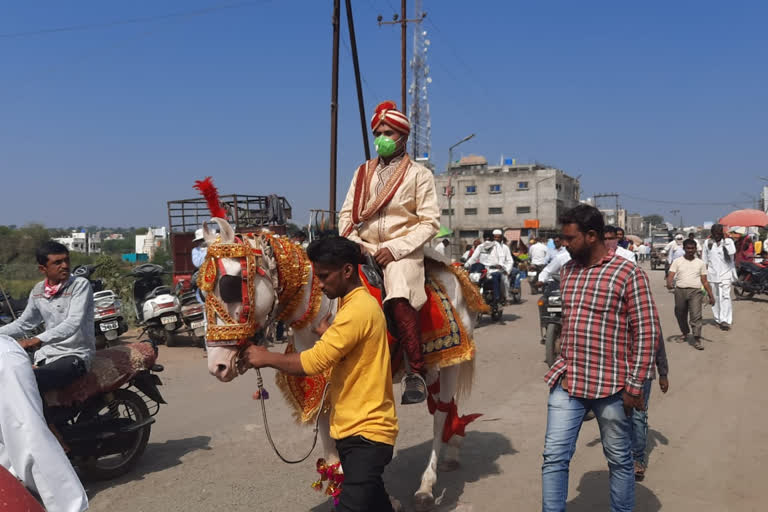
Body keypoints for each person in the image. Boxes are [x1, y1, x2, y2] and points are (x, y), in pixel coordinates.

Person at [239, 237, 398, 512]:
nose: (320, 284)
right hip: (351, 433)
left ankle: (417, 366)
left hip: (367, 435)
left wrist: (265, 357)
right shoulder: (350, 307)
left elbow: (314, 361)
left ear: (347, 271)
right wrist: (330, 335)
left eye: (325, 276)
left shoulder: (358, 309)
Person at [541, 205, 661, 512]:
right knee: (554, 456)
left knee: (620, 460)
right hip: (569, 381)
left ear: (591, 236)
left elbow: (647, 331)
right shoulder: (567, 272)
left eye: (569, 238)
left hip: (613, 387)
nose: (563, 245)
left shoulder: (627, 273)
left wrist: (635, 386)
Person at [338, 100, 439, 404]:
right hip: (361, 246)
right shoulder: (362, 172)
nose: (381, 137)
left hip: (401, 251)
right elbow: (345, 214)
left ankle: (415, 371)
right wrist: (354, 240)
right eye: (378, 132)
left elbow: (430, 222)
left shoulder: (420, 175)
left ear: (403, 137)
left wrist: (395, 249)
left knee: (396, 292)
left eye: (388, 132)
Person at [0, 335, 89, 512]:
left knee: (29, 438)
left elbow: (72, 324)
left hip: (70, 354)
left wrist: (37, 338)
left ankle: (70, 508)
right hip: (41, 354)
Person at [0, 241, 95, 395]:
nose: (64, 265)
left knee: (30, 382)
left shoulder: (79, 285)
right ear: (42, 268)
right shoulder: (38, 290)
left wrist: (35, 340)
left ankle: (45, 420)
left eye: (66, 260)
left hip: (75, 353)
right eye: (57, 262)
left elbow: (72, 323)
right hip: (46, 355)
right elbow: (24, 323)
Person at [630, 333, 669, 481]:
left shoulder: (647, 311)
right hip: (618, 369)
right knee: (619, 415)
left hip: (642, 371)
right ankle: (622, 457)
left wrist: (663, 373)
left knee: (638, 415)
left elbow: (658, 340)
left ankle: (637, 459)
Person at [666, 239, 715, 350]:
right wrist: (669, 283)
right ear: (684, 248)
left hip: (696, 292)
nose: (690, 250)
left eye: (692, 248)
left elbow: (705, 281)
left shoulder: (700, 263)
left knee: (696, 315)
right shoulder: (677, 261)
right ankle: (685, 332)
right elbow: (671, 275)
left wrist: (711, 295)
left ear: (695, 249)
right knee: (680, 313)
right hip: (680, 291)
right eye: (688, 248)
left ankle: (697, 338)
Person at [701, 224, 736, 331]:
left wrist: (725, 241)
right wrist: (703, 276)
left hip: (726, 274)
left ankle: (725, 320)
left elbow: (732, 252)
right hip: (712, 274)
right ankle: (718, 319)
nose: (717, 235)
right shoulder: (708, 243)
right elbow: (704, 260)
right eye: (715, 233)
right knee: (715, 297)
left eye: (719, 232)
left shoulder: (729, 242)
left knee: (725, 297)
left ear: (722, 232)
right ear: (712, 232)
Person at [465, 234, 510, 304]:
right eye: (485, 239)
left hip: (494, 269)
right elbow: (473, 258)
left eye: (489, 240)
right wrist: (467, 264)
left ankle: (498, 298)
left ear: (492, 240)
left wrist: (500, 264)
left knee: (500, 279)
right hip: (482, 270)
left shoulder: (496, 246)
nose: (487, 241)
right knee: (472, 279)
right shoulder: (480, 247)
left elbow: (501, 256)